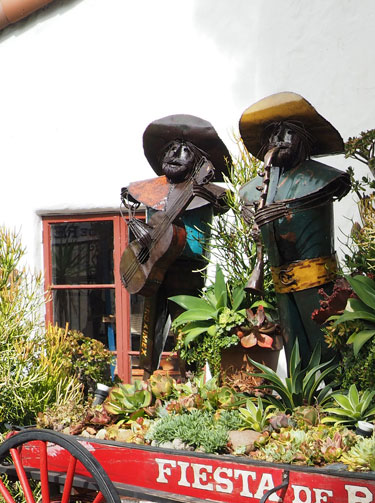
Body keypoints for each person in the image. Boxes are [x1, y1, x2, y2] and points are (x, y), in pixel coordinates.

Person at [238, 92, 350, 361]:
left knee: (326, 349)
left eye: (289, 132)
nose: (280, 140)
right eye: (274, 134)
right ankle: (300, 400)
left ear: (304, 140)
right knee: (294, 353)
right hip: (280, 280)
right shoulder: (255, 188)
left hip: (317, 281)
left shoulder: (321, 178)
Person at [120, 115, 231, 373]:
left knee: (189, 326)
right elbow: (130, 197)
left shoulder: (206, 191)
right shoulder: (151, 188)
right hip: (151, 265)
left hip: (187, 267)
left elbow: (224, 201)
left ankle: (192, 378)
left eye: (184, 151)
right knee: (150, 326)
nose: (175, 154)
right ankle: (147, 373)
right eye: (171, 148)